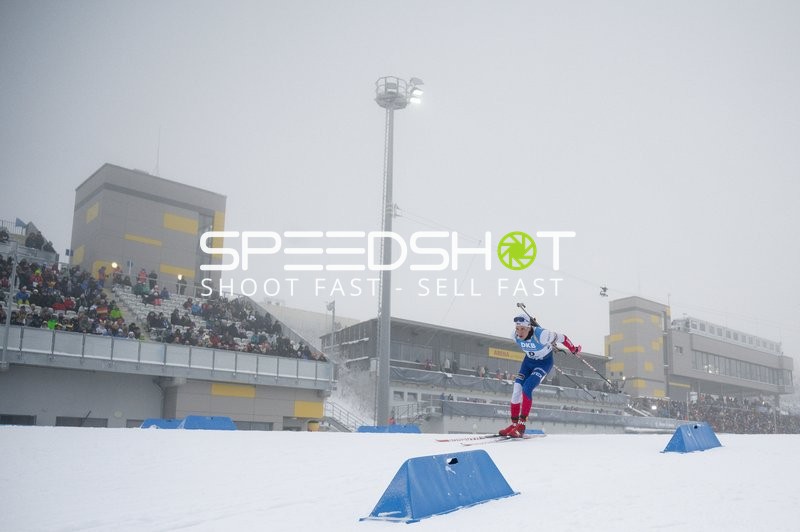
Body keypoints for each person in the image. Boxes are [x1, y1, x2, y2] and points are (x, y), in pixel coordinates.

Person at [499, 313, 581, 438]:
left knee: (527, 388)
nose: (519, 333)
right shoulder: (514, 336)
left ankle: (521, 426)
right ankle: (514, 424)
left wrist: (573, 348)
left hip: (543, 364)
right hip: (528, 363)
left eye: (522, 329)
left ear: (529, 327)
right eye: (517, 328)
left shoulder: (542, 335)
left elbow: (563, 337)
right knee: (516, 389)